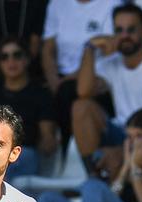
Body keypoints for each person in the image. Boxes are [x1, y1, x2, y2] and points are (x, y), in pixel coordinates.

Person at [74, 4, 142, 179]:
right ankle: (93, 176)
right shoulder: (110, 63)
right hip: (120, 132)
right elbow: (83, 92)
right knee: (81, 107)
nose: (124, 36)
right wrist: (90, 49)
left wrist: (122, 151)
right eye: (119, 30)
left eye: (131, 30)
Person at [0, 36, 57, 177]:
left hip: (22, 153)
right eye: (4, 57)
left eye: (17, 55)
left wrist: (47, 144)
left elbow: (47, 138)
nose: (11, 61)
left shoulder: (41, 94)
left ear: (27, 59)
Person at [40, 0, 119, 149]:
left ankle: (71, 152)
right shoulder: (56, 4)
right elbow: (47, 49)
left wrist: (64, 83)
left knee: (69, 92)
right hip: (59, 79)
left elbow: (108, 50)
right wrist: (54, 82)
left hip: (95, 75)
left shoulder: (112, 4)